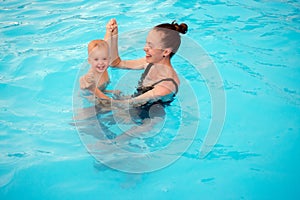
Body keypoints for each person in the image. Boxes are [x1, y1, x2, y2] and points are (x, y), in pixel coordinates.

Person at [105, 18, 188, 120]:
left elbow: (129, 104)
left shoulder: (168, 85)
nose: (145, 48)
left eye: (151, 45)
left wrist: (100, 98)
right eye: (146, 43)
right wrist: (114, 36)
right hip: (134, 103)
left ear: (166, 52)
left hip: (147, 117)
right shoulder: (149, 63)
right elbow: (115, 63)